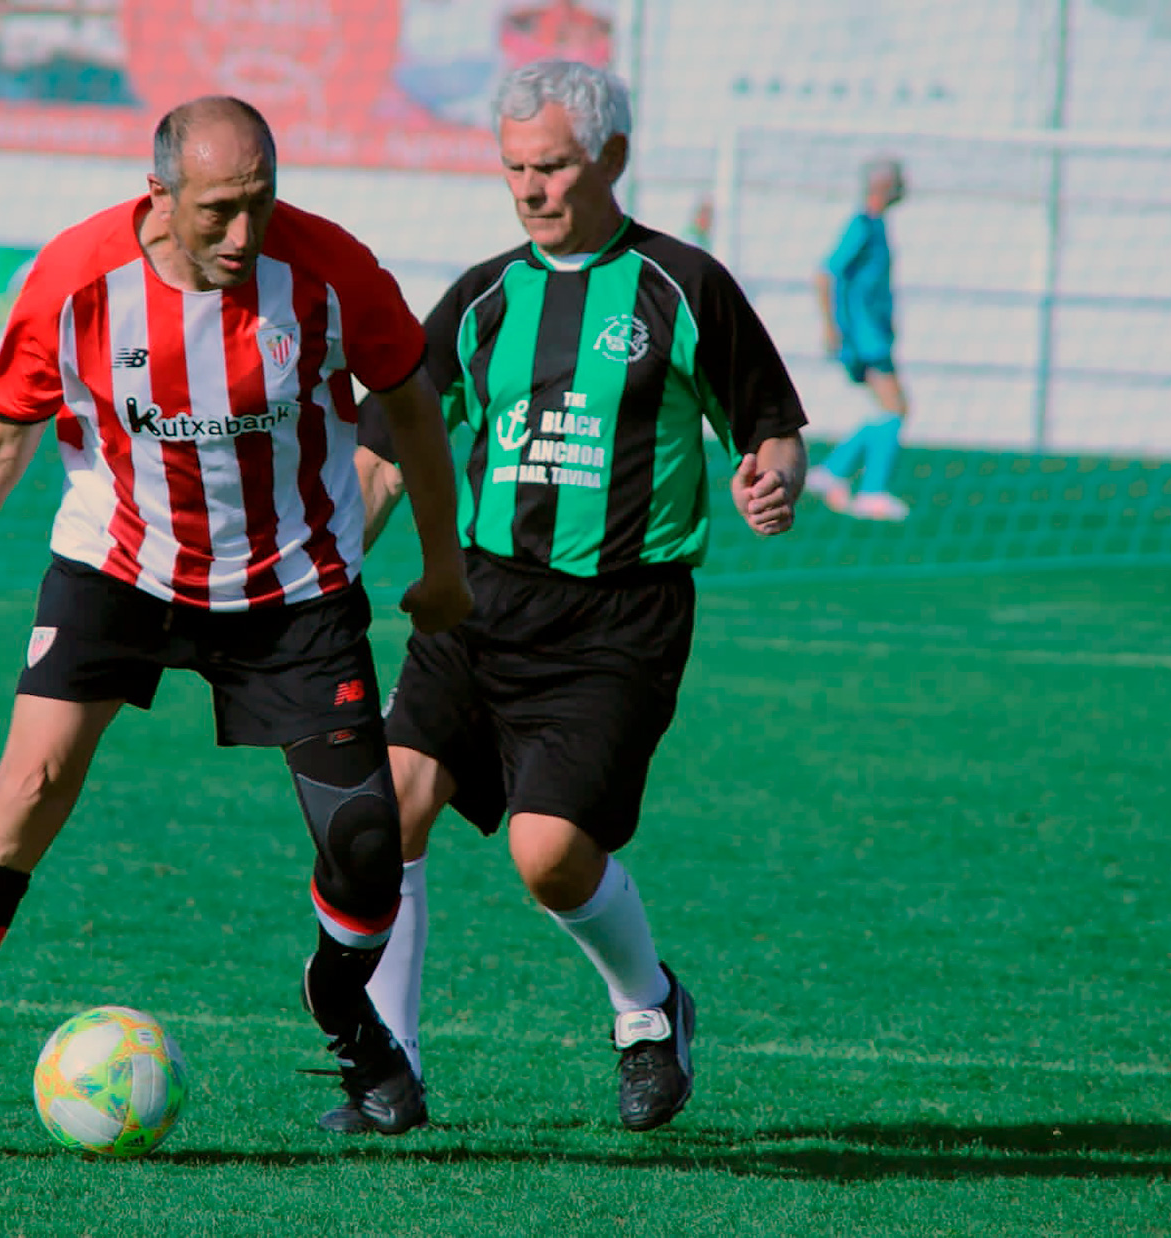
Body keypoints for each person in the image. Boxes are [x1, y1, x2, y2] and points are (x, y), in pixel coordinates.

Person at [0, 96, 473, 1163]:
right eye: (219, 210)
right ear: (160, 196)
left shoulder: (330, 271)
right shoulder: (77, 279)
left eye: (259, 205)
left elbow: (409, 404)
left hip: (292, 585)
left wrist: (443, 564)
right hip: (117, 567)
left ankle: (339, 1005)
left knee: (365, 846)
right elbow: (1, 444)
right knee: (27, 788)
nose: (242, 234)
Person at [351, 59, 806, 1132]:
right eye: (513, 168)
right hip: (475, 599)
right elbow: (389, 448)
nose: (530, 189)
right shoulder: (481, 297)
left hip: (617, 618)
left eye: (550, 165)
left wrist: (771, 478)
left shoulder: (681, 285)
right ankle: (389, 1063)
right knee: (388, 805)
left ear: (609, 156)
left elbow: (770, 426)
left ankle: (648, 1008)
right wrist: (324, 572)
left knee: (546, 853)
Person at [808, 157, 911, 521]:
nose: (906, 186)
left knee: (892, 409)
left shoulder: (877, 225)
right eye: (900, 181)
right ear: (884, 186)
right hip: (864, 338)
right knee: (895, 408)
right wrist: (831, 327)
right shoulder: (862, 225)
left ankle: (833, 472)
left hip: (874, 334)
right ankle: (870, 492)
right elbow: (826, 273)